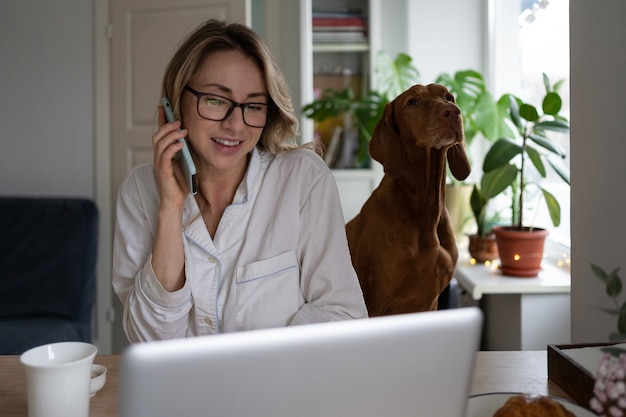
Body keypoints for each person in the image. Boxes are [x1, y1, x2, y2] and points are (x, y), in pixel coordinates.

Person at [112, 19, 368, 343]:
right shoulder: (139, 193)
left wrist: (249, 375)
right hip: (180, 393)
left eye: (253, 106)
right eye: (216, 100)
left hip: (277, 390)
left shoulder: (303, 179)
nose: (236, 125)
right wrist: (170, 209)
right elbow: (151, 341)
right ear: (175, 104)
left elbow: (342, 314)